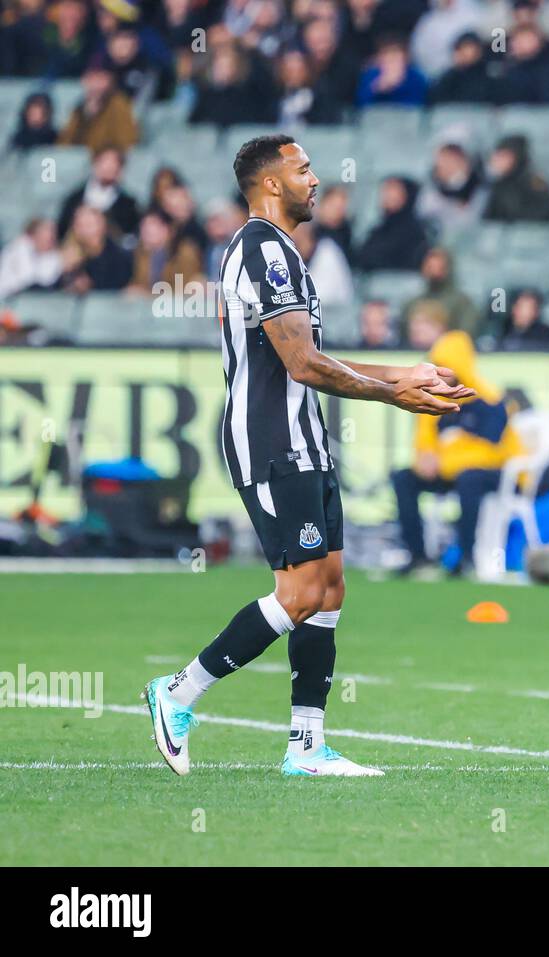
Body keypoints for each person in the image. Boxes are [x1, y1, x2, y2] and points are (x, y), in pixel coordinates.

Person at [143, 135, 472, 779]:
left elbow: (315, 356)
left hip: (305, 440)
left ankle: (306, 745)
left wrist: (403, 372)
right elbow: (300, 363)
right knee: (296, 594)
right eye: (303, 170)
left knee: (329, 589)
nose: (315, 180)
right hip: (270, 443)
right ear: (271, 184)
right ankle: (178, 693)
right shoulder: (262, 250)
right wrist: (392, 394)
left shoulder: (286, 253)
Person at [390, 326, 521, 576]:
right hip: (450, 470)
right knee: (403, 478)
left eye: (444, 366)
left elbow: (494, 451)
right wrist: (425, 456)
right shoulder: (434, 399)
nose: (439, 373)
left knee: (469, 479)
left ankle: (466, 556)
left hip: (494, 474)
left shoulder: (490, 401)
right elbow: (425, 438)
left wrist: (446, 461)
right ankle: (417, 555)